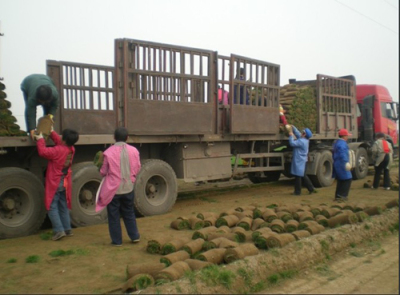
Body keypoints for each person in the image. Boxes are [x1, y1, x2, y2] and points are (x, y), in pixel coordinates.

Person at [96, 127, 141, 246]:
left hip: (113, 190)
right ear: (127, 138)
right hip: (128, 187)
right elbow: (137, 167)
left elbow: (103, 172)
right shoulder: (134, 151)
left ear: (114, 137)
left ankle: (117, 241)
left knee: (114, 215)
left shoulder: (108, 152)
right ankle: (134, 236)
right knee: (129, 212)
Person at [35, 128, 79, 241]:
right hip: (65, 181)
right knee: (63, 206)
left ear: (64, 139)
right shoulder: (71, 149)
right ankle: (67, 229)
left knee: (51, 206)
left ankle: (59, 231)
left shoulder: (57, 150)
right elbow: (60, 142)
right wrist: (51, 132)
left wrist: (40, 139)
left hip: (55, 182)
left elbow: (42, 152)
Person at [21, 74, 59, 139]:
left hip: (46, 79)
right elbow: (31, 113)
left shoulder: (55, 95)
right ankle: (30, 131)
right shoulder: (32, 97)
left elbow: (53, 108)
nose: (42, 103)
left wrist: (49, 120)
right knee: (29, 108)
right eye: (41, 101)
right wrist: (32, 129)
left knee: (48, 115)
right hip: (27, 83)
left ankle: (45, 132)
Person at [288, 125, 317, 195]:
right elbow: (298, 134)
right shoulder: (304, 140)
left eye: (303, 132)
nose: (301, 133)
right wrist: (294, 128)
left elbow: (292, 143)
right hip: (302, 160)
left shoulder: (301, 141)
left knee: (298, 176)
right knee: (302, 175)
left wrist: (291, 135)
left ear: (304, 134)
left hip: (299, 160)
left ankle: (297, 192)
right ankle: (311, 188)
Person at [332, 128, 353, 202]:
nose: (347, 137)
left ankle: (338, 195)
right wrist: (346, 162)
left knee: (340, 179)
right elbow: (342, 153)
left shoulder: (337, 142)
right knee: (347, 179)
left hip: (338, 163)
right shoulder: (342, 144)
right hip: (342, 163)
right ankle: (343, 196)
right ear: (344, 136)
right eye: (347, 135)